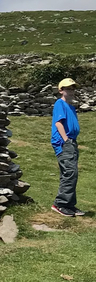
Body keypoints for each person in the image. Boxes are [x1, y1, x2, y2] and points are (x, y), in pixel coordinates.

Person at [51, 78, 85, 216]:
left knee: (71, 173)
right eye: (68, 89)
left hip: (71, 141)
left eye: (73, 89)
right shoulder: (60, 103)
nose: (71, 92)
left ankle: (70, 205)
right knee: (70, 172)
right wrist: (66, 140)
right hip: (64, 142)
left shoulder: (70, 107)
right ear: (61, 90)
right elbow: (59, 123)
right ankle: (60, 204)